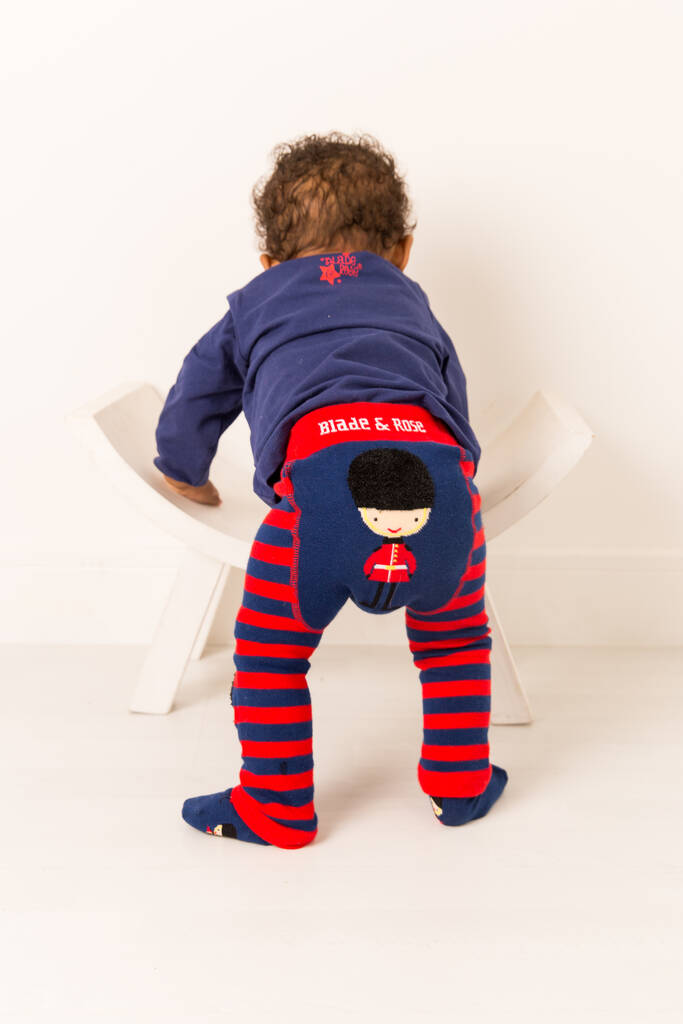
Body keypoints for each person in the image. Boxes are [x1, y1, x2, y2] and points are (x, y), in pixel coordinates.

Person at [153, 132, 507, 849]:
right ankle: (461, 784)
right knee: (455, 643)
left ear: (268, 264)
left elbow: (196, 395)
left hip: (315, 499)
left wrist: (182, 469)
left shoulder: (253, 303)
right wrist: (456, 480)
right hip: (440, 486)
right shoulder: (411, 300)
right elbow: (452, 395)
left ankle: (276, 806)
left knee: (270, 655)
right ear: (402, 250)